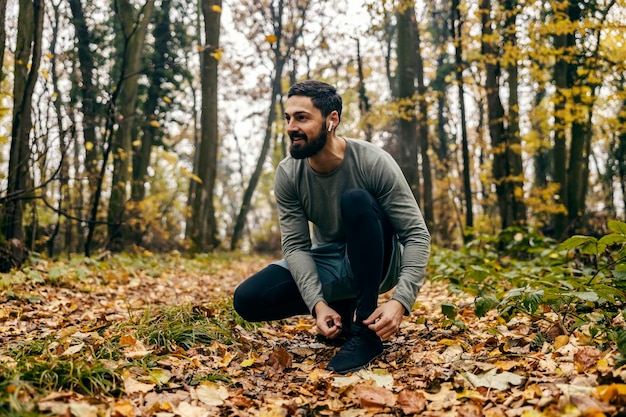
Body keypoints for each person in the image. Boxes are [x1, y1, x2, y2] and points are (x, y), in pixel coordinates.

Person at [233, 80, 431, 374]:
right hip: (332, 258)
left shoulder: (372, 161)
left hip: (381, 257)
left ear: (332, 120)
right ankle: (341, 313)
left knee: (356, 200)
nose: (291, 127)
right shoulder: (289, 173)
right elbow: (297, 246)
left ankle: (367, 332)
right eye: (288, 118)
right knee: (248, 299)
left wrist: (400, 301)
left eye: (302, 117)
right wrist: (318, 305)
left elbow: (416, 234)